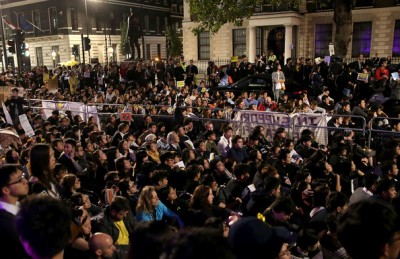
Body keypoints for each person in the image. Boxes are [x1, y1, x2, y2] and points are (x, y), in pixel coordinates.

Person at [0, 164, 30, 259]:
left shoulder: (19, 204)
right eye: (19, 180)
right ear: (6, 190)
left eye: (23, 176)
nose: (25, 181)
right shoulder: (6, 222)